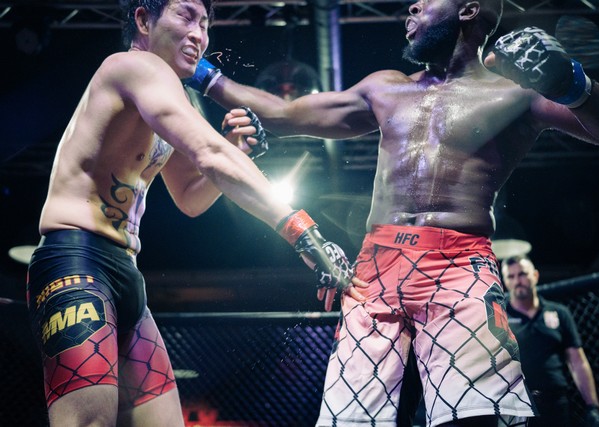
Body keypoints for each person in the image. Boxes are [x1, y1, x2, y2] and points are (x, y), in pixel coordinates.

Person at [186, 0, 599, 425]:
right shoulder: (386, 88)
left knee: (476, 417)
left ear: (469, 9)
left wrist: (573, 85)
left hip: (459, 264)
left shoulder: (515, 93)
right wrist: (194, 70)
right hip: (374, 270)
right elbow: (282, 113)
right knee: (353, 421)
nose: (413, 5)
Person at [25, 1, 365, 426]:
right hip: (76, 261)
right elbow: (209, 152)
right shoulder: (132, 67)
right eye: (185, 16)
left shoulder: (172, 94)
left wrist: (236, 151)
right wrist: (303, 233)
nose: (198, 34)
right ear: (143, 20)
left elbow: (190, 197)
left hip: (125, 269)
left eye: (204, 24)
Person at [502, 255, 599, 427]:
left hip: (556, 402)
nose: (517, 281)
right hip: (515, 404)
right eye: (511, 276)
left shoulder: (559, 313)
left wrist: (592, 406)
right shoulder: (499, 316)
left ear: (535, 275)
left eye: (522, 274)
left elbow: (577, 361)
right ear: (505, 281)